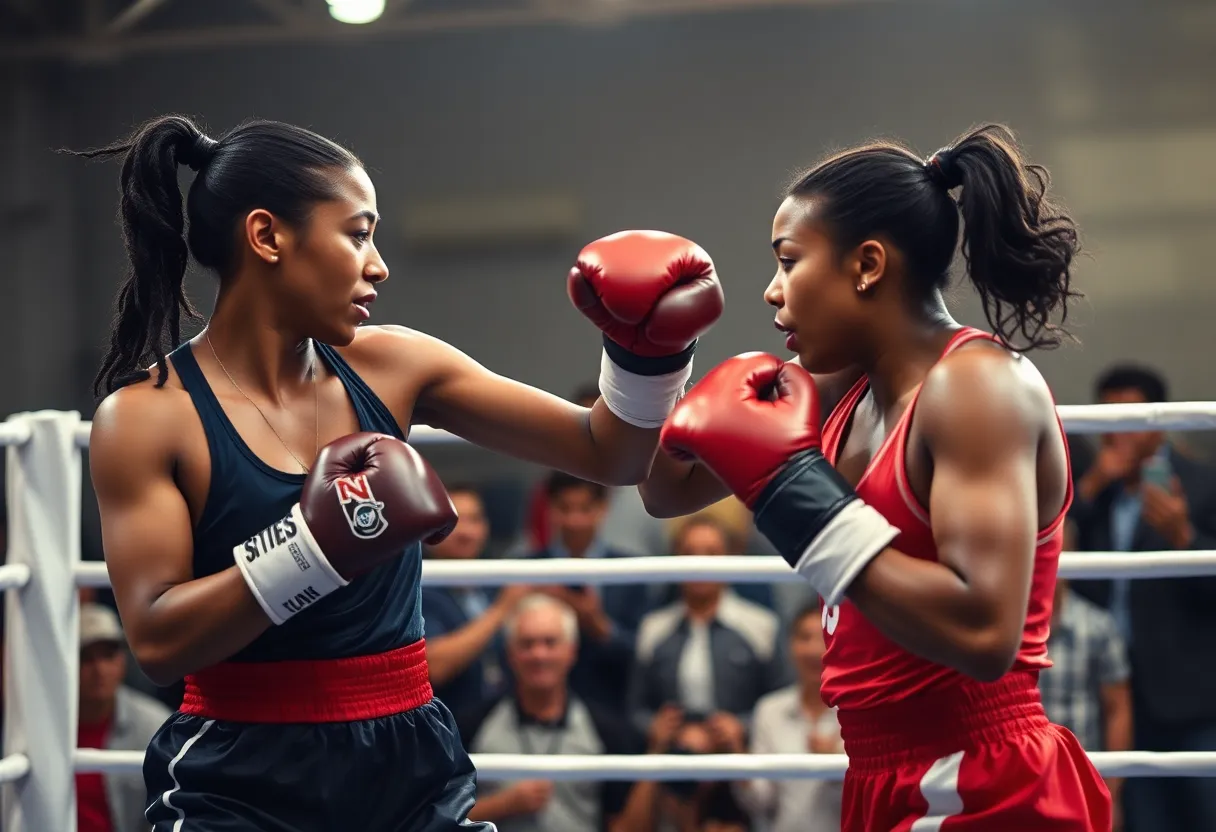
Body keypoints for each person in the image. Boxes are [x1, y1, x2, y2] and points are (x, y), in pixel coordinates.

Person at [77, 114, 723, 831]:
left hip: (409, 760)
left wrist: (647, 357)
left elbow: (610, 453)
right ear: (267, 237)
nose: (378, 264)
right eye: (357, 234)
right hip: (241, 775)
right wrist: (311, 550)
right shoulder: (147, 417)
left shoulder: (394, 365)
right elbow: (160, 643)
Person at [640, 124, 1110, 830]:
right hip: (877, 772)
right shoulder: (839, 387)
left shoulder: (976, 387)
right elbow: (664, 491)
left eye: (789, 261)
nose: (771, 292)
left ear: (866, 264)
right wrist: (649, 357)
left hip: (979, 776)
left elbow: (986, 634)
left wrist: (794, 498)